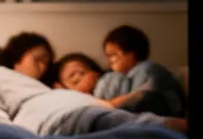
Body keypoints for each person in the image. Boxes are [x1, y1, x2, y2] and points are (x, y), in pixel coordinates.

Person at [52, 52, 185, 132]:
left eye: (84, 72)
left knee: (147, 67)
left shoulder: (109, 79)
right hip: (128, 112)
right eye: (74, 80)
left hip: (144, 98)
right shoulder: (76, 104)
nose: (80, 78)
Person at [95, 24, 187, 117]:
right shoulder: (116, 76)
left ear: (131, 54)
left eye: (113, 55)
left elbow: (141, 96)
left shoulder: (147, 68)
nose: (110, 61)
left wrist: (110, 104)